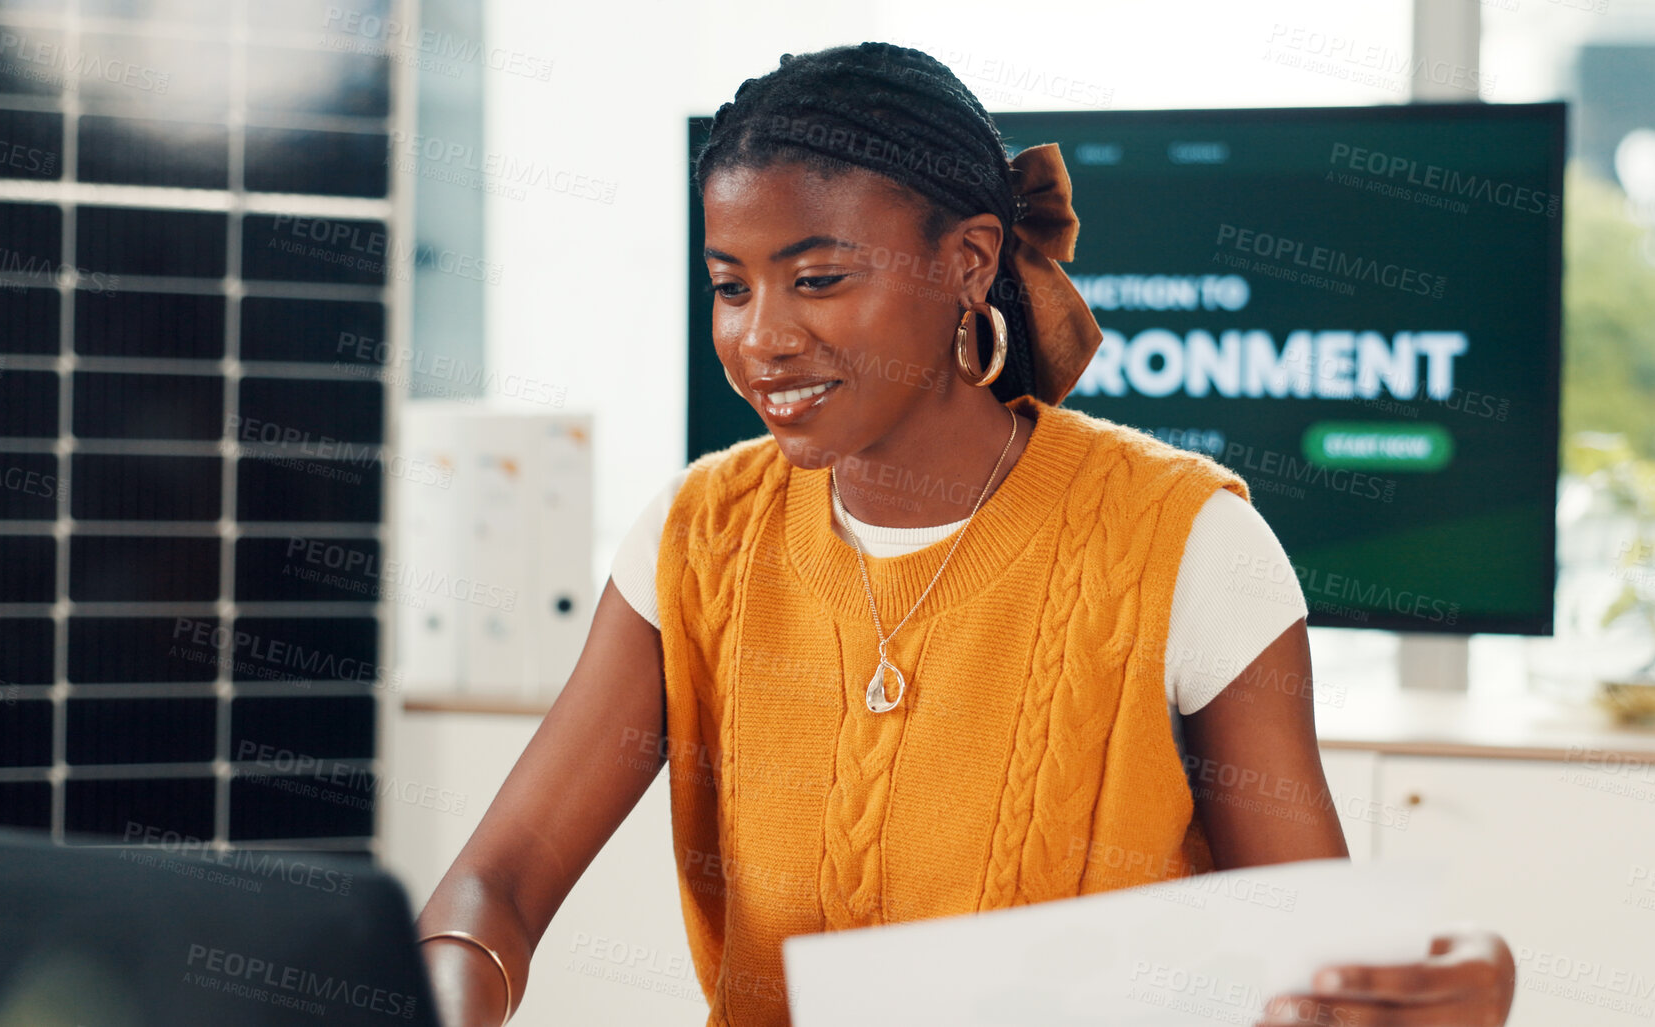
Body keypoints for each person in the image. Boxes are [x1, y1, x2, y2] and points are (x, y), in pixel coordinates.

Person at [415, 41, 1517, 1027]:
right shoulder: (697, 535)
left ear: (970, 260)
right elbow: (496, 885)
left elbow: (1315, 964)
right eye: (730, 286)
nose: (761, 338)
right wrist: (454, 982)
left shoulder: (1187, 542)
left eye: (817, 279)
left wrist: (1447, 980)